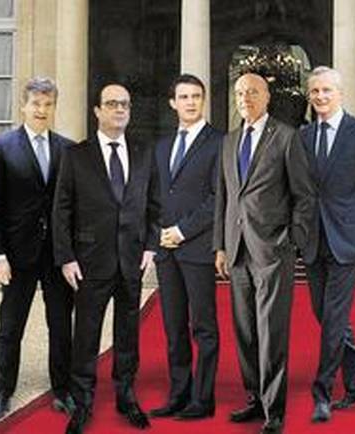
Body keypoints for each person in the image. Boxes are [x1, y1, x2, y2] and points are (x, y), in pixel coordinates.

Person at [53, 84, 160, 432]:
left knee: (128, 335)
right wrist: (66, 257)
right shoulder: (76, 156)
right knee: (86, 335)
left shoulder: (144, 153)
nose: (119, 109)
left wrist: (151, 246)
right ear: (97, 111)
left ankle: (126, 397)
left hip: (131, 260)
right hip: (89, 262)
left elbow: (154, 204)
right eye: (112, 104)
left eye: (125, 104)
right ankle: (82, 403)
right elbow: (61, 210)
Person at [213, 72, 316, 434]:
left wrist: (292, 240)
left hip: (273, 250)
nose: (245, 98)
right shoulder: (229, 141)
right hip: (236, 250)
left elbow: (304, 196)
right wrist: (220, 245)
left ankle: (275, 411)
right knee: (244, 331)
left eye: (253, 92)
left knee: (271, 331)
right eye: (240, 92)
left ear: (267, 97)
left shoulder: (286, 137)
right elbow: (224, 197)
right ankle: (254, 398)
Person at [0, 76, 75, 421]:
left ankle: (63, 390)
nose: (42, 110)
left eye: (48, 104)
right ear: (24, 106)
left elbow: (72, 206)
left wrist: (71, 255)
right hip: (16, 255)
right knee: (11, 326)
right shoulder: (2, 146)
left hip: (57, 255)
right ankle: (3, 391)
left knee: (61, 326)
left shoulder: (67, 149)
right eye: (36, 104)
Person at [298, 66, 355, 423]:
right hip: (313, 239)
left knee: (333, 317)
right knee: (324, 313)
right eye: (315, 91)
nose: (320, 97)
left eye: (326, 90)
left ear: (340, 93)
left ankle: (323, 392)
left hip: (347, 238)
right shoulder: (303, 136)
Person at [149, 74, 222, 420]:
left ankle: (203, 399)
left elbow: (217, 197)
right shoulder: (161, 146)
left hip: (198, 248)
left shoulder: (219, 142)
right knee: (173, 327)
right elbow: (153, 196)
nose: (191, 102)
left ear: (203, 100)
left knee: (203, 327)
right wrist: (158, 234)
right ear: (172, 103)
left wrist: (182, 231)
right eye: (184, 97)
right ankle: (178, 394)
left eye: (196, 96)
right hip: (166, 251)